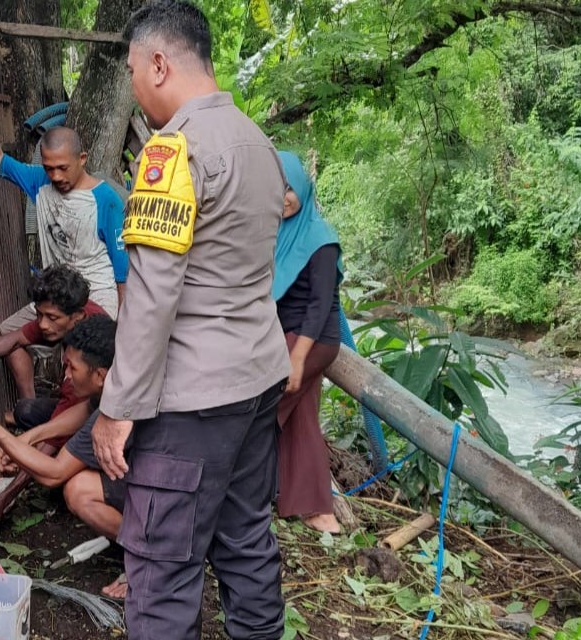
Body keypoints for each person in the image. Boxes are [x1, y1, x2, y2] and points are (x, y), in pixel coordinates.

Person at [91, 2, 290, 638]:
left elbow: (151, 295)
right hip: (257, 381)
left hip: (191, 403)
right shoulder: (256, 142)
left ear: (158, 63)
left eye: (130, 71)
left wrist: (117, 407)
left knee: (162, 567)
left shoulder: (171, 154)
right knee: (245, 541)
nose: (132, 85)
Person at [0, 77, 127, 388]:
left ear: (82, 159)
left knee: (83, 363)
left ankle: (72, 426)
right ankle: (29, 410)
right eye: (49, 168)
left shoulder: (105, 200)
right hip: (56, 298)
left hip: (98, 297)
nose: (56, 175)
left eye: (63, 167)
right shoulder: (39, 182)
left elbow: (122, 268)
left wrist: (124, 323)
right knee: (8, 332)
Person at [0, 315, 129, 598]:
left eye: (72, 367)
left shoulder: (115, 411)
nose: (66, 375)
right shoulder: (116, 384)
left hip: (172, 503)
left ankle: (149, 558)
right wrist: (27, 438)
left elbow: (53, 473)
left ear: (101, 375)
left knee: (75, 489)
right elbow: (80, 413)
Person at [0, 264, 107, 534]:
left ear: (78, 317)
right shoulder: (71, 325)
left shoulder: (88, 370)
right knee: (28, 410)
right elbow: (15, 338)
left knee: (68, 484)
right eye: (39, 315)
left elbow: (53, 469)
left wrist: (3, 500)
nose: (42, 324)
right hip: (91, 407)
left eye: (51, 317)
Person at [273, 151, 343, 535]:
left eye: (288, 188)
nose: (282, 197)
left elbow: (319, 305)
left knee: (258, 406)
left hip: (312, 340)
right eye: (275, 188)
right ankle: (317, 511)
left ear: (302, 185)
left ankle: (245, 490)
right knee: (301, 418)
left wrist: (297, 358)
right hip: (285, 336)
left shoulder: (320, 237)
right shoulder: (275, 232)